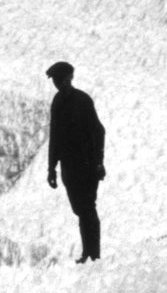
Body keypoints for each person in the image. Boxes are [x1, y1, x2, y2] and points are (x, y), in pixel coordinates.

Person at [46, 61, 106, 263]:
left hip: (87, 165)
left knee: (87, 208)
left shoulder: (82, 100)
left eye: (58, 79)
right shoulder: (57, 102)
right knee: (80, 209)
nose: (56, 83)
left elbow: (99, 131)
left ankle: (93, 254)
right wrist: (51, 167)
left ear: (68, 79)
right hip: (69, 168)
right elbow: (54, 136)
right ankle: (87, 253)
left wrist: (98, 162)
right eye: (54, 80)